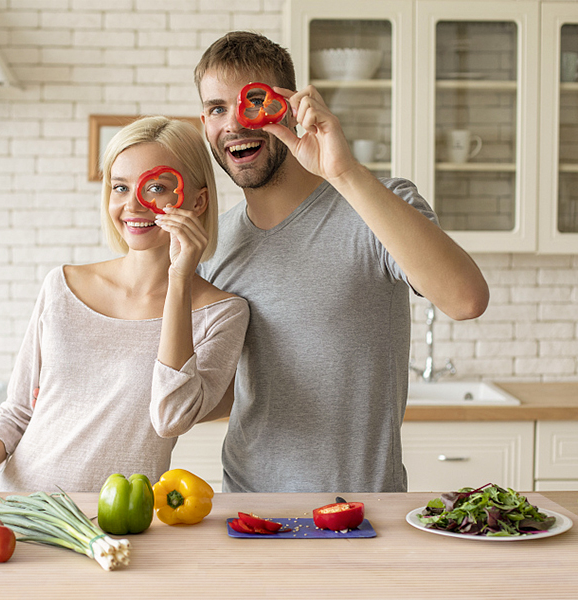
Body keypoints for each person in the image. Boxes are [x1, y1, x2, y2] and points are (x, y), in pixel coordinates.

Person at [193, 31, 489, 494]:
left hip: (361, 511)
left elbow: (466, 299)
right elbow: (217, 390)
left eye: (251, 101)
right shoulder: (214, 244)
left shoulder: (378, 203)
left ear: (288, 105)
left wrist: (343, 172)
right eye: (216, 108)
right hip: (247, 510)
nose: (234, 122)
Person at [0, 116, 249, 504]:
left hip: (116, 521)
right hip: (19, 509)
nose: (132, 205)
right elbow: (18, 411)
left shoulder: (223, 314)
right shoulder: (61, 287)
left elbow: (171, 419)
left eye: (156, 187)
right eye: (120, 187)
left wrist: (180, 279)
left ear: (197, 201)